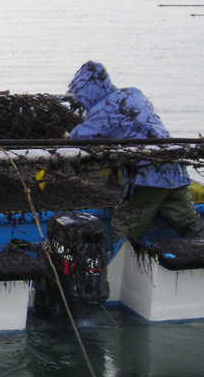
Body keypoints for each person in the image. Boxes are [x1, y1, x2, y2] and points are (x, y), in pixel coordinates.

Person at [67, 60, 203, 243]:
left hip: (147, 174)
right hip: (173, 168)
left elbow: (77, 139)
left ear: (89, 90)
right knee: (190, 225)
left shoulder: (105, 109)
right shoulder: (133, 94)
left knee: (123, 227)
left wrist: (52, 155)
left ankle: (118, 268)